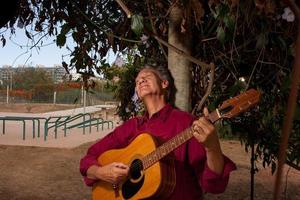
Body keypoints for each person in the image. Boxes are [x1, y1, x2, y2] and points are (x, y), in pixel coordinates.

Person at [80, 64, 236, 199]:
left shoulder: (187, 123)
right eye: (137, 81)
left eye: (146, 77)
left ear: (164, 83)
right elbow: (90, 157)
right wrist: (100, 173)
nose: (140, 80)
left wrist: (212, 147)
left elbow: (214, 185)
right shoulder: (132, 126)